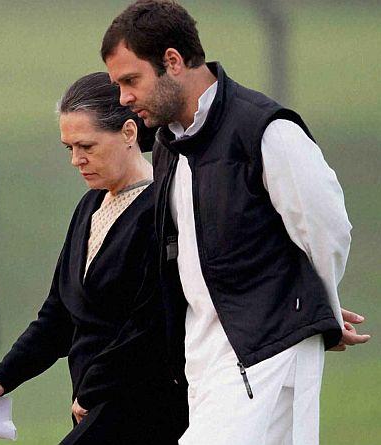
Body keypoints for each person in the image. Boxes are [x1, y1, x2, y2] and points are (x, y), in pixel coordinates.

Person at [101, 1, 371, 444]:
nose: (124, 98)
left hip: (268, 355)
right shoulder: (170, 142)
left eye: (131, 80)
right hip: (205, 361)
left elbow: (326, 227)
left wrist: (317, 306)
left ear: (172, 61)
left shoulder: (265, 130)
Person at [0, 72, 189, 445]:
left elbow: (152, 322)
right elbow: (59, 315)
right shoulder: (90, 205)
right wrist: (3, 376)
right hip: (94, 405)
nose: (76, 160)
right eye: (69, 148)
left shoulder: (162, 208)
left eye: (86, 146)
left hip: (142, 407)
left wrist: (94, 388)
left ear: (129, 133)